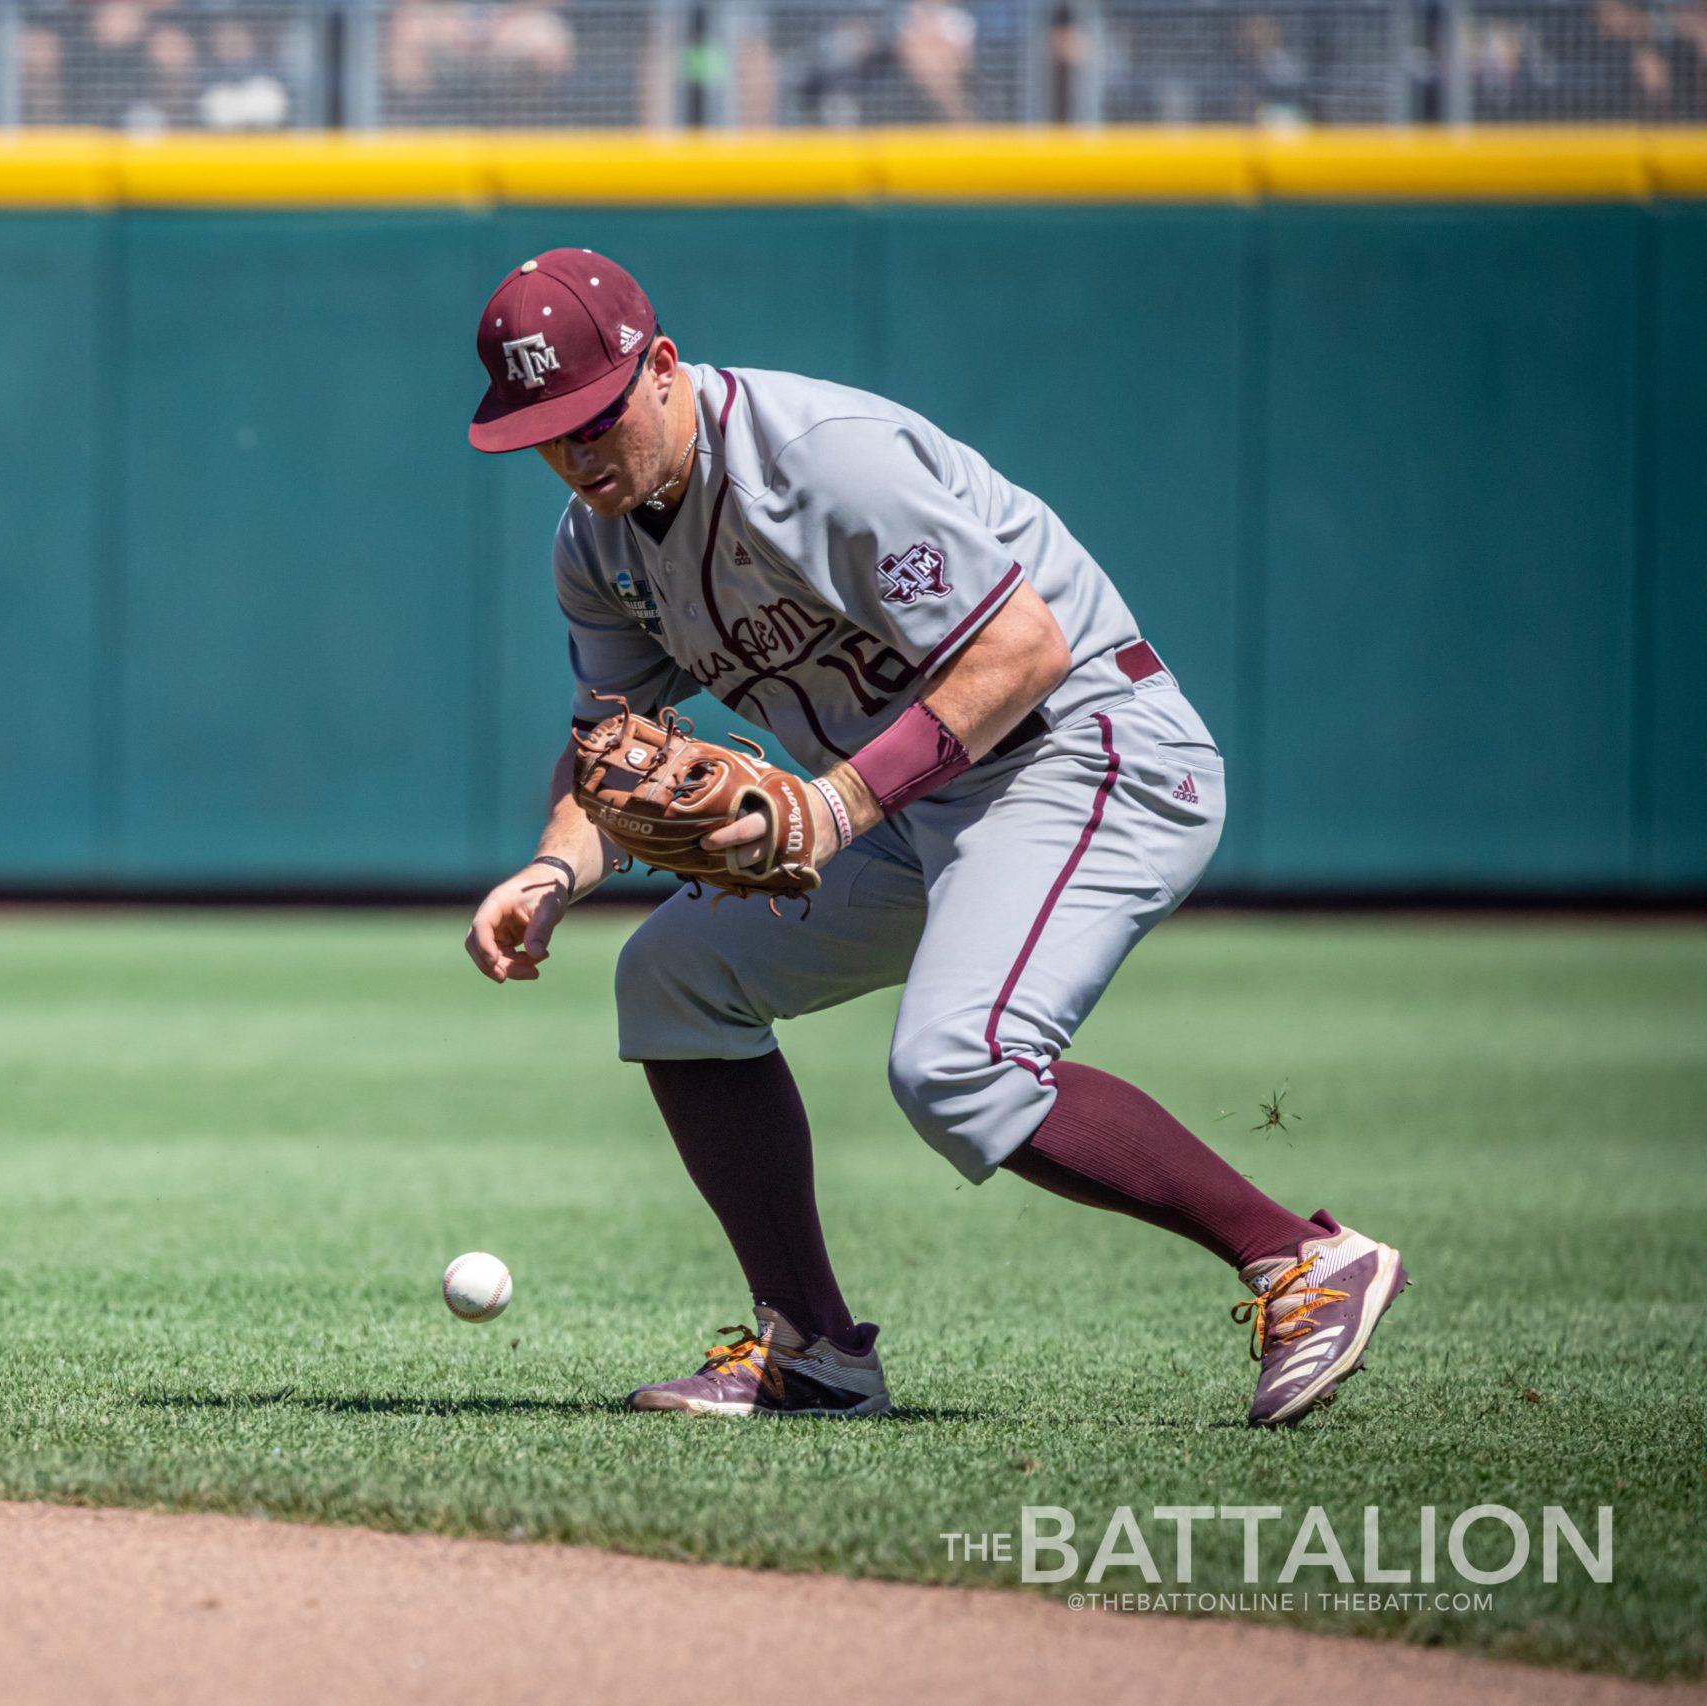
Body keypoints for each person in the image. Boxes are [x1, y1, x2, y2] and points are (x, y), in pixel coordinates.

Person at [460, 249, 1408, 1427]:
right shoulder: (593, 546)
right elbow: (613, 744)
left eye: (593, 418)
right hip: (909, 794)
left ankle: (1298, 1259)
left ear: (658, 366)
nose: (577, 455)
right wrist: (554, 868)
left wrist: (834, 807)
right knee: (671, 976)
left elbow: (1022, 651)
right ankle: (812, 1348)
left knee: (956, 1063)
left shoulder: (818, 460)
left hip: (1084, 749)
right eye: (546, 433)